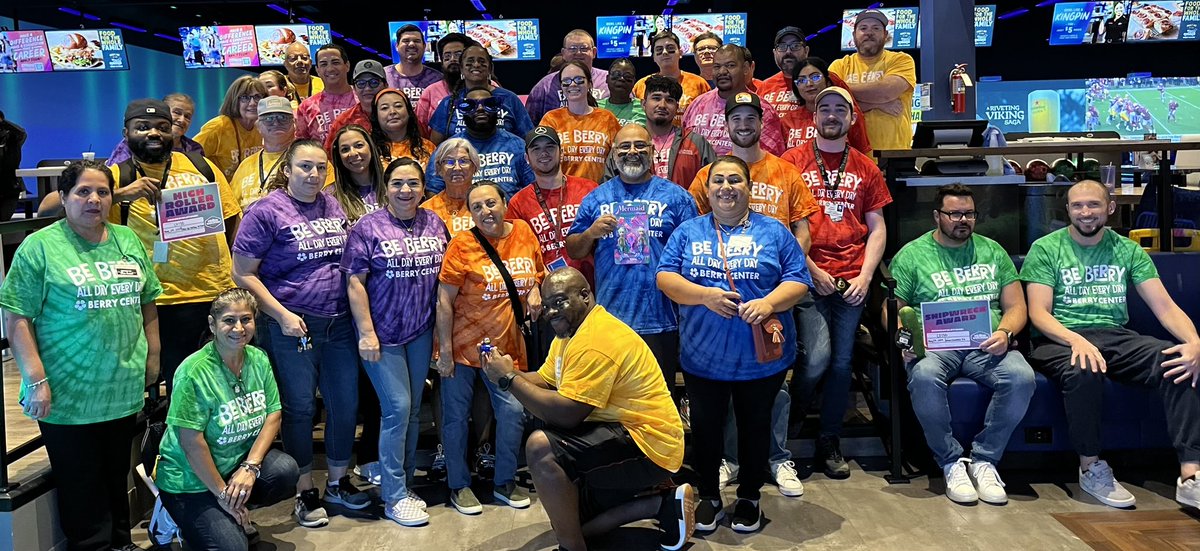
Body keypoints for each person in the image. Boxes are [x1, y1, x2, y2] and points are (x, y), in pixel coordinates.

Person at [1, 159, 162, 551]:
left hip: (120, 385)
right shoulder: (40, 247)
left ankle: (121, 543)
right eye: (83, 192)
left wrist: (152, 356)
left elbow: (148, 302)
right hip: (67, 391)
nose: (94, 200)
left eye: (102, 192)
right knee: (81, 481)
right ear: (64, 197)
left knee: (115, 474)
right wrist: (35, 379)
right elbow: (17, 316)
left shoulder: (126, 239)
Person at [480, 268, 694, 551]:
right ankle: (660, 503)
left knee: (541, 448)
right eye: (547, 305)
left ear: (585, 295)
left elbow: (567, 415)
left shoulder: (596, 339)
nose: (551, 312)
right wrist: (504, 371)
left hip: (649, 444)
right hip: (621, 431)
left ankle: (571, 548)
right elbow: (545, 380)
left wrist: (509, 379)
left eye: (559, 301)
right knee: (570, 520)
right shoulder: (569, 334)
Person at [37, 100, 241, 392]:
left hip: (212, 293)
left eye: (162, 127)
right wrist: (119, 194)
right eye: (142, 127)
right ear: (126, 133)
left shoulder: (202, 167)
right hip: (155, 300)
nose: (153, 133)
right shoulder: (113, 177)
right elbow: (53, 210)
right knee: (168, 383)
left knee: (217, 384)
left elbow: (231, 218)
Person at [1022, 180, 1200, 509]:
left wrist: (1194, 343)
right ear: (1068, 210)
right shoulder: (1046, 248)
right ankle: (1090, 467)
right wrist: (1076, 340)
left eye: (1094, 204)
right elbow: (1039, 314)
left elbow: (1165, 307)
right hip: (1058, 337)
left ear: (1110, 208)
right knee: (1083, 369)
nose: (1085, 212)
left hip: (1115, 335)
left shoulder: (1127, 250)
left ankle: (1191, 476)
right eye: (1078, 206)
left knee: (1176, 360)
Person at [657, 155, 811, 534]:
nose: (726, 187)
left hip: (760, 359)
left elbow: (799, 279)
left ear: (749, 188)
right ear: (707, 190)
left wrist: (769, 303)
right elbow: (664, 277)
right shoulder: (688, 231)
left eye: (735, 180)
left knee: (755, 427)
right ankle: (709, 496)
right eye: (718, 181)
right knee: (706, 429)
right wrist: (704, 296)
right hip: (702, 356)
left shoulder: (774, 231)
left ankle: (749, 498)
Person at [232, 140, 370, 527]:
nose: (314, 174)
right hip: (293, 324)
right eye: (305, 167)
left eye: (321, 167)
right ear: (287, 170)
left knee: (345, 404)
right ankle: (304, 490)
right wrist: (281, 315)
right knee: (300, 408)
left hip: (339, 322)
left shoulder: (333, 205)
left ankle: (338, 482)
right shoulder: (265, 211)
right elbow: (242, 273)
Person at [687, 93, 818, 497]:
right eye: (736, 118)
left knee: (775, 383)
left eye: (751, 117)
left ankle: (774, 459)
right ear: (726, 125)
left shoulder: (785, 171)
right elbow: (695, 233)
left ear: (763, 122)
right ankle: (729, 460)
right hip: (721, 305)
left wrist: (777, 287)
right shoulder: (706, 176)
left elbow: (801, 231)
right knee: (723, 390)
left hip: (773, 292)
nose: (744, 124)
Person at [890, 184, 1035, 505]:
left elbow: (1016, 306)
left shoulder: (993, 251)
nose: (963, 220)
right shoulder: (912, 255)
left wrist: (1006, 333)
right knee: (924, 376)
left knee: (1022, 377)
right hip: (936, 346)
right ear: (936, 216)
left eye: (969, 213)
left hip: (987, 343)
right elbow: (894, 309)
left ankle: (985, 460)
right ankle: (950, 462)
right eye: (954, 214)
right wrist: (905, 341)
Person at [784, 87, 891, 479]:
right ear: (813, 117)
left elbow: (877, 227)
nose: (831, 115)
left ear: (852, 118)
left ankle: (829, 440)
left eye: (839, 110)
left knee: (843, 363)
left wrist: (866, 275)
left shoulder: (865, 167)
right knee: (816, 359)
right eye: (824, 109)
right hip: (807, 277)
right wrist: (812, 269)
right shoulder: (791, 162)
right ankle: (791, 421)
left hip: (852, 280)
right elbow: (784, 225)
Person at [343, 158, 450, 526]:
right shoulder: (367, 227)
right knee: (398, 409)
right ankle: (393, 496)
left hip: (420, 331)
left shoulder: (434, 222)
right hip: (382, 335)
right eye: (397, 183)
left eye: (413, 183)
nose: (406, 190)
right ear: (385, 188)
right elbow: (355, 282)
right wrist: (366, 332)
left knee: (413, 409)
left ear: (423, 187)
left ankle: (404, 484)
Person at [156, 289, 301, 548]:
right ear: (212, 325)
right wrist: (223, 495)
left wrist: (250, 467)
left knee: (284, 471)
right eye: (229, 320)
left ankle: (231, 511)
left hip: (233, 465)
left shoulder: (258, 358)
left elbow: (273, 414)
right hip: (189, 479)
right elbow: (191, 443)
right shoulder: (193, 372)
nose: (239, 328)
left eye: (246, 319)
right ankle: (172, 514)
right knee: (233, 548)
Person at [436, 181, 545, 515]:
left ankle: (504, 481)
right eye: (477, 207)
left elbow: (535, 272)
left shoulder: (523, 232)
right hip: (463, 348)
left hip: (507, 349)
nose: (485, 211)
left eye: (491, 203)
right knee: (456, 418)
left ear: (504, 203)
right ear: (470, 213)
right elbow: (444, 300)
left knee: (512, 413)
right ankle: (459, 485)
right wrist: (444, 351)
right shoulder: (461, 245)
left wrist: (535, 289)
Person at [566, 124, 699, 397]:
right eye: (624, 146)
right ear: (613, 153)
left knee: (658, 399)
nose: (632, 151)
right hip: (611, 318)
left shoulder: (678, 198)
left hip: (662, 317)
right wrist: (591, 233)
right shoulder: (596, 198)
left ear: (652, 151)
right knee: (613, 399)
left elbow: (694, 252)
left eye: (640, 145)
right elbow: (574, 249)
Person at [506, 126, 599, 285]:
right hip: (548, 287)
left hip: (592, 283)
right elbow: (518, 253)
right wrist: (546, 282)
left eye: (550, 147)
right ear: (527, 158)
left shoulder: (589, 189)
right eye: (536, 149)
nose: (543, 153)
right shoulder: (518, 203)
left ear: (561, 153)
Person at [830, 9, 917, 151]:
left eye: (876, 28)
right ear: (854, 35)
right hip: (850, 155)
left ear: (885, 35)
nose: (869, 33)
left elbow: (886, 92)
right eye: (863, 28)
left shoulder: (901, 60)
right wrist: (878, 104)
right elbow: (834, 106)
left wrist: (843, 89)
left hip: (894, 153)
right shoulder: (839, 65)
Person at [426, 87, 535, 198]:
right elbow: (433, 192)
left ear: (497, 110)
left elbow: (533, 188)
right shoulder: (447, 150)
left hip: (509, 208)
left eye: (488, 104)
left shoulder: (518, 146)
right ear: (463, 112)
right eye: (471, 105)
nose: (480, 109)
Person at [614, 76, 716, 190]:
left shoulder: (696, 142)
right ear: (643, 103)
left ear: (677, 107)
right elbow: (610, 185)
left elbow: (714, 182)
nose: (662, 105)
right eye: (656, 98)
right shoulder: (626, 142)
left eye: (669, 100)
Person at [682, 45, 784, 156]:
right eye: (717, 66)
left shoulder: (763, 109)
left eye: (730, 65)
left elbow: (770, 158)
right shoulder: (697, 105)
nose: (722, 71)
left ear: (745, 68)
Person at [429, 44, 534, 144]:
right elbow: (435, 146)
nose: (476, 65)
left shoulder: (509, 99)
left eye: (481, 61)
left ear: (490, 68)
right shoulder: (449, 103)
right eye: (470, 61)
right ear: (461, 69)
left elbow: (528, 139)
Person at [540, 61, 622, 184]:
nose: (572, 84)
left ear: (589, 84)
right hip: (563, 192)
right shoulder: (551, 119)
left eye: (579, 80)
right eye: (566, 81)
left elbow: (620, 157)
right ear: (561, 87)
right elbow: (542, 159)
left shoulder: (607, 118)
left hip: (600, 191)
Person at [785, 57, 872, 154]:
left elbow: (860, 154)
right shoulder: (787, 120)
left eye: (815, 77)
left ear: (828, 81)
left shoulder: (846, 114)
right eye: (801, 81)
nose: (809, 84)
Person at [526, 30, 611, 125]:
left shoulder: (608, 80)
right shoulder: (545, 85)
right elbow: (529, 124)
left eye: (584, 48)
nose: (578, 53)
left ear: (594, 52)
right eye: (572, 49)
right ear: (563, 53)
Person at [229, 96, 297, 212]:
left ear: (294, 123)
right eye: (268, 119)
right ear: (258, 126)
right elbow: (232, 208)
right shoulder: (245, 165)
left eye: (283, 117)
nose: (276, 123)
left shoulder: (309, 160)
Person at [631, 31, 711, 127]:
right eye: (659, 50)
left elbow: (709, 115)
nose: (665, 52)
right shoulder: (641, 85)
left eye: (670, 49)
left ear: (680, 53)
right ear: (654, 57)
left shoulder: (699, 83)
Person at [194, 76, 268, 179]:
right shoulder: (218, 127)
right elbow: (190, 158)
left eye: (257, 97)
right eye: (245, 97)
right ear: (234, 100)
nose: (252, 103)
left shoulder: (263, 127)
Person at [108, 93, 205, 166]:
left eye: (187, 116)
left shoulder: (195, 149)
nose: (182, 120)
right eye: (177, 112)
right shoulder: (132, 144)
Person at [295, 44, 358, 148]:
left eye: (335, 62)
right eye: (324, 64)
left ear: (347, 66)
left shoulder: (363, 99)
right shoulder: (306, 107)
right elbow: (301, 146)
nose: (330, 68)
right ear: (317, 70)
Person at [322, 60, 388, 153]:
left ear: (385, 85)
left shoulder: (395, 115)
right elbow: (329, 155)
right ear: (355, 88)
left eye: (374, 82)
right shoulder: (343, 121)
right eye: (361, 83)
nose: (367, 88)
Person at [329, 124, 387, 224]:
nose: (353, 153)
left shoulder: (393, 185)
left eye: (359, 145)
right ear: (339, 156)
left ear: (371, 147)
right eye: (345, 149)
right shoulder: (330, 195)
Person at [421, 139, 479, 237]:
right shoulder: (427, 210)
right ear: (439, 169)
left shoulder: (486, 204)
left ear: (474, 166)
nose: (457, 168)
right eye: (449, 162)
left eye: (463, 161)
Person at [416, 33, 473, 130]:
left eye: (458, 55)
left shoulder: (488, 86)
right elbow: (420, 129)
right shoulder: (430, 92)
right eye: (447, 56)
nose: (452, 59)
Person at [370, 88, 435, 167]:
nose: (392, 112)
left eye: (398, 106)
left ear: (409, 112)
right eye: (384, 108)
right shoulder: (369, 149)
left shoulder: (427, 147)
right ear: (376, 116)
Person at [385, 24, 444, 103]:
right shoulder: (384, 76)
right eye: (406, 41)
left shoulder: (438, 79)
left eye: (417, 41)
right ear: (396, 46)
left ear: (424, 46)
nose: (411, 44)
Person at [597, 58, 645, 127]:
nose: (621, 79)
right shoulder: (596, 107)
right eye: (616, 75)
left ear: (633, 82)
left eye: (627, 76)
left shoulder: (644, 108)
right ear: (607, 79)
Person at [0, 110, 27, 221]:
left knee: (3, 222)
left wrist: (2, 122)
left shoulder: (12, 138)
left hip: (10, 189)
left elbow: (21, 132)